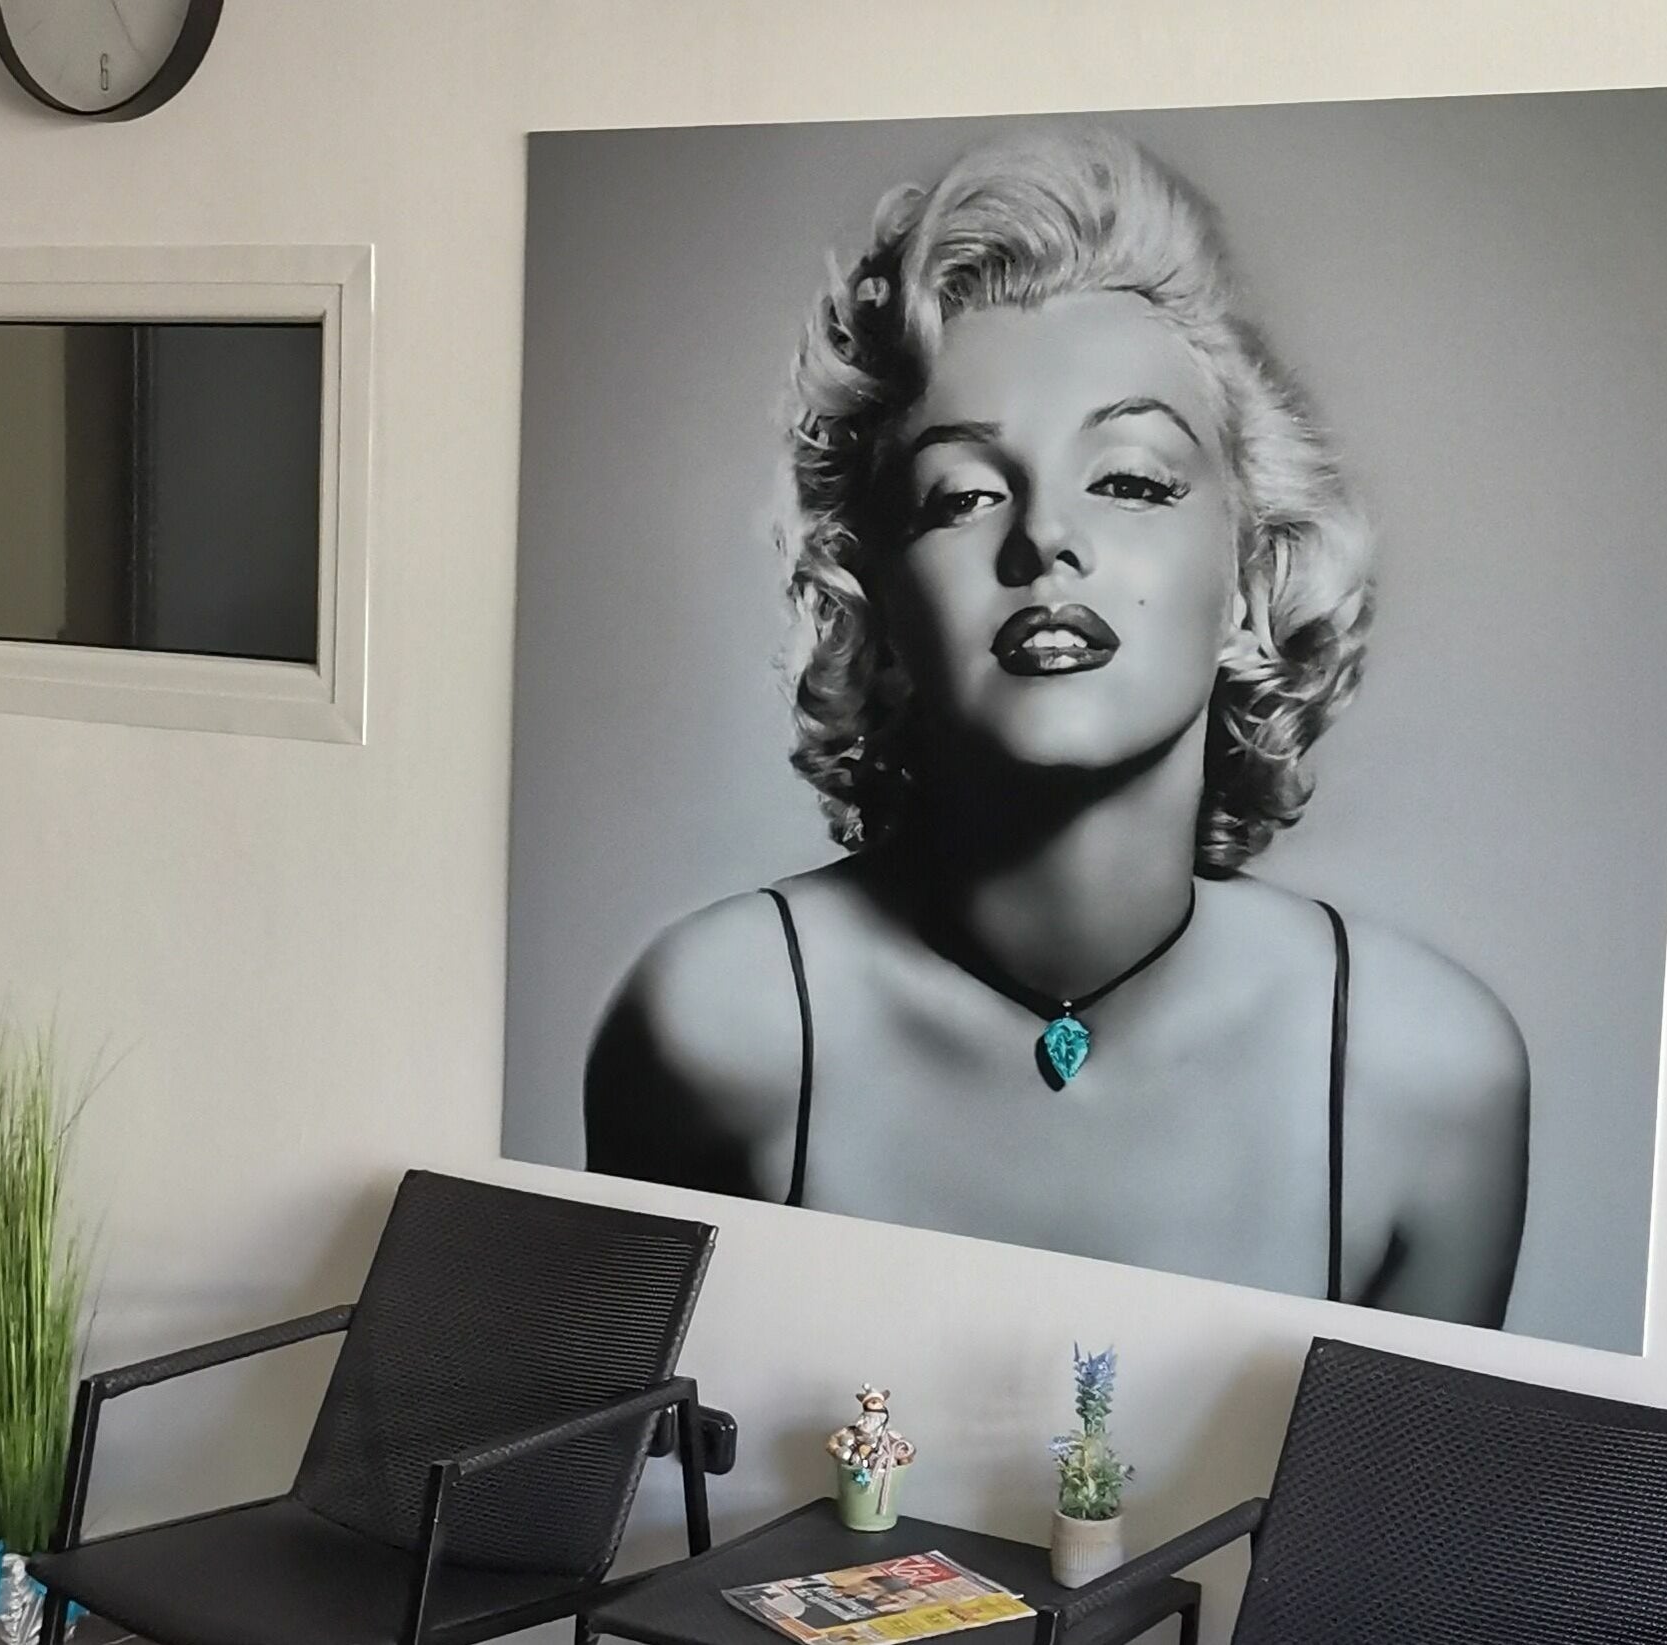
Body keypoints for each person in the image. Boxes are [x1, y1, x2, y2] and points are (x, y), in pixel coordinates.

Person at [584, 127, 1527, 1325]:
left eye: (1127, 479)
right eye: (962, 495)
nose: (1042, 540)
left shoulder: (1425, 1071)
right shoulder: (715, 1027)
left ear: (1251, 579)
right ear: (878, 606)